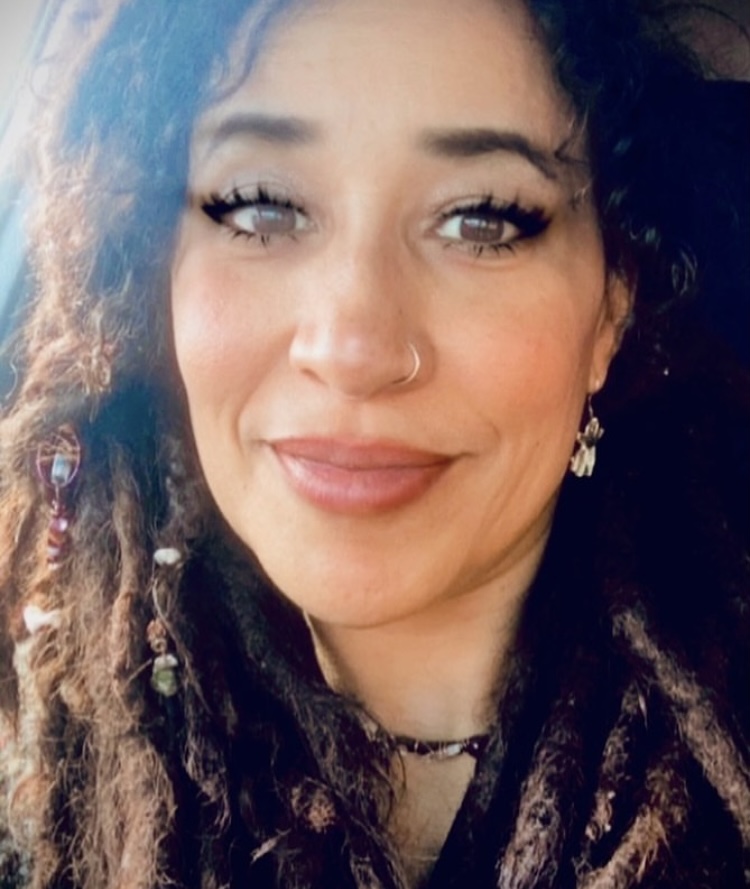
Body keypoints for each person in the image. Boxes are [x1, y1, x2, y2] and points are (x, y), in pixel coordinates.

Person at [0, 0, 748, 887]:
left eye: (481, 220)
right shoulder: (40, 754)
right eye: (261, 206)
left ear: (611, 306)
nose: (352, 348)